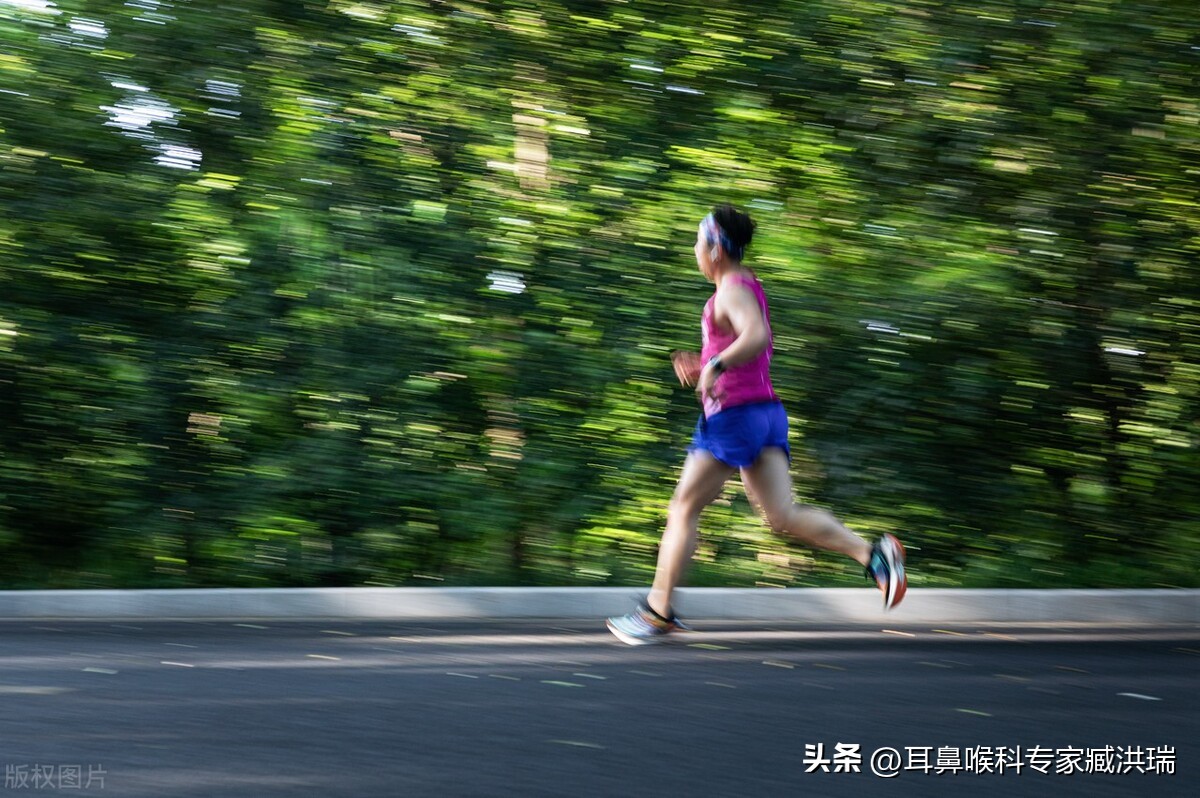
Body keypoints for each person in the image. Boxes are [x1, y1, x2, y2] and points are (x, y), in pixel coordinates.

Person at [606, 205, 907, 645]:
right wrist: (706, 362)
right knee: (781, 516)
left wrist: (715, 366)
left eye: (697, 240)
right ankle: (874, 556)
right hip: (764, 414)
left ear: (715, 248)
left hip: (734, 417)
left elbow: (757, 336)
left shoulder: (728, 290)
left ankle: (657, 612)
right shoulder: (747, 285)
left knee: (682, 509)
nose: (693, 249)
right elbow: (749, 340)